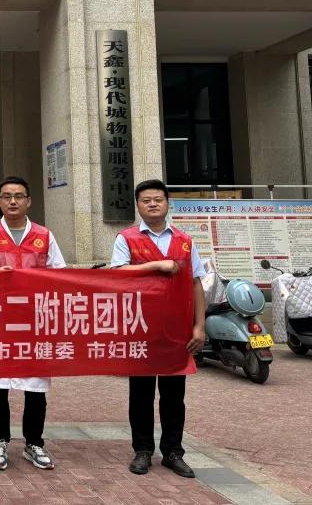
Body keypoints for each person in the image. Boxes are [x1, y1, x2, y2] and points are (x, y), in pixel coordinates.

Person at [0, 176, 66, 472]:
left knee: (36, 385)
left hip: (35, 320)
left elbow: (59, 273)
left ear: (28, 201)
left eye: (18, 196)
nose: (12, 201)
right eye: (6, 196)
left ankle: (34, 442)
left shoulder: (44, 235)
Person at [109, 178, 206, 479]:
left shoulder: (185, 240)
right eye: (146, 200)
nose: (152, 204)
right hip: (140, 327)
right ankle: (142, 450)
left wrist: (200, 327)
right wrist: (156, 265)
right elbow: (117, 274)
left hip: (177, 330)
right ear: (138, 206)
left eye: (158, 199)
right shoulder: (126, 238)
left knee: (174, 394)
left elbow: (196, 283)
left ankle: (173, 452)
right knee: (140, 392)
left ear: (167, 203)